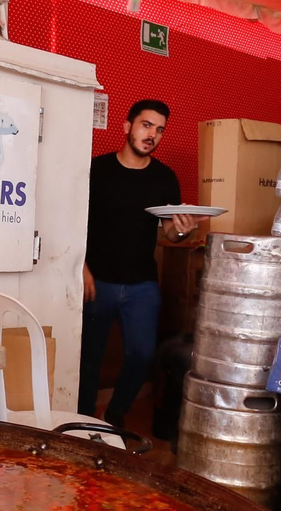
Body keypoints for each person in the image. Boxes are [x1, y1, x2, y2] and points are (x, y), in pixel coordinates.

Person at [78, 99, 202, 424]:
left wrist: (183, 230)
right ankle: (84, 422)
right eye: (146, 125)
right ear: (127, 126)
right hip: (97, 279)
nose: (152, 135)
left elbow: (169, 233)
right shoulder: (97, 170)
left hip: (142, 284)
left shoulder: (164, 178)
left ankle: (114, 416)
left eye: (159, 130)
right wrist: (81, 268)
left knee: (142, 356)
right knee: (88, 358)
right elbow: (73, 223)